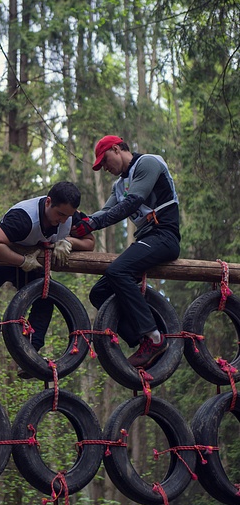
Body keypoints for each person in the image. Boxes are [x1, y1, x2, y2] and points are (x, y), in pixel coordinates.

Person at [0, 181, 95, 377]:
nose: (63, 220)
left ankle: (31, 351)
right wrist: (23, 261)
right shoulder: (23, 217)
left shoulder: (71, 215)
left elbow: (90, 242)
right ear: (48, 202)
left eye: (67, 215)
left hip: (32, 262)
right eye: (60, 214)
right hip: (0, 258)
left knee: (45, 296)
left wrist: (67, 241)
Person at [70, 135, 180, 369]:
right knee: (99, 293)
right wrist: (80, 221)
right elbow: (105, 212)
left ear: (117, 149)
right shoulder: (119, 185)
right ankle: (143, 341)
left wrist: (92, 224)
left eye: (105, 160)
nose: (105, 168)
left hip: (164, 236)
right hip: (146, 240)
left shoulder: (148, 163)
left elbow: (131, 203)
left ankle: (154, 337)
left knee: (118, 271)